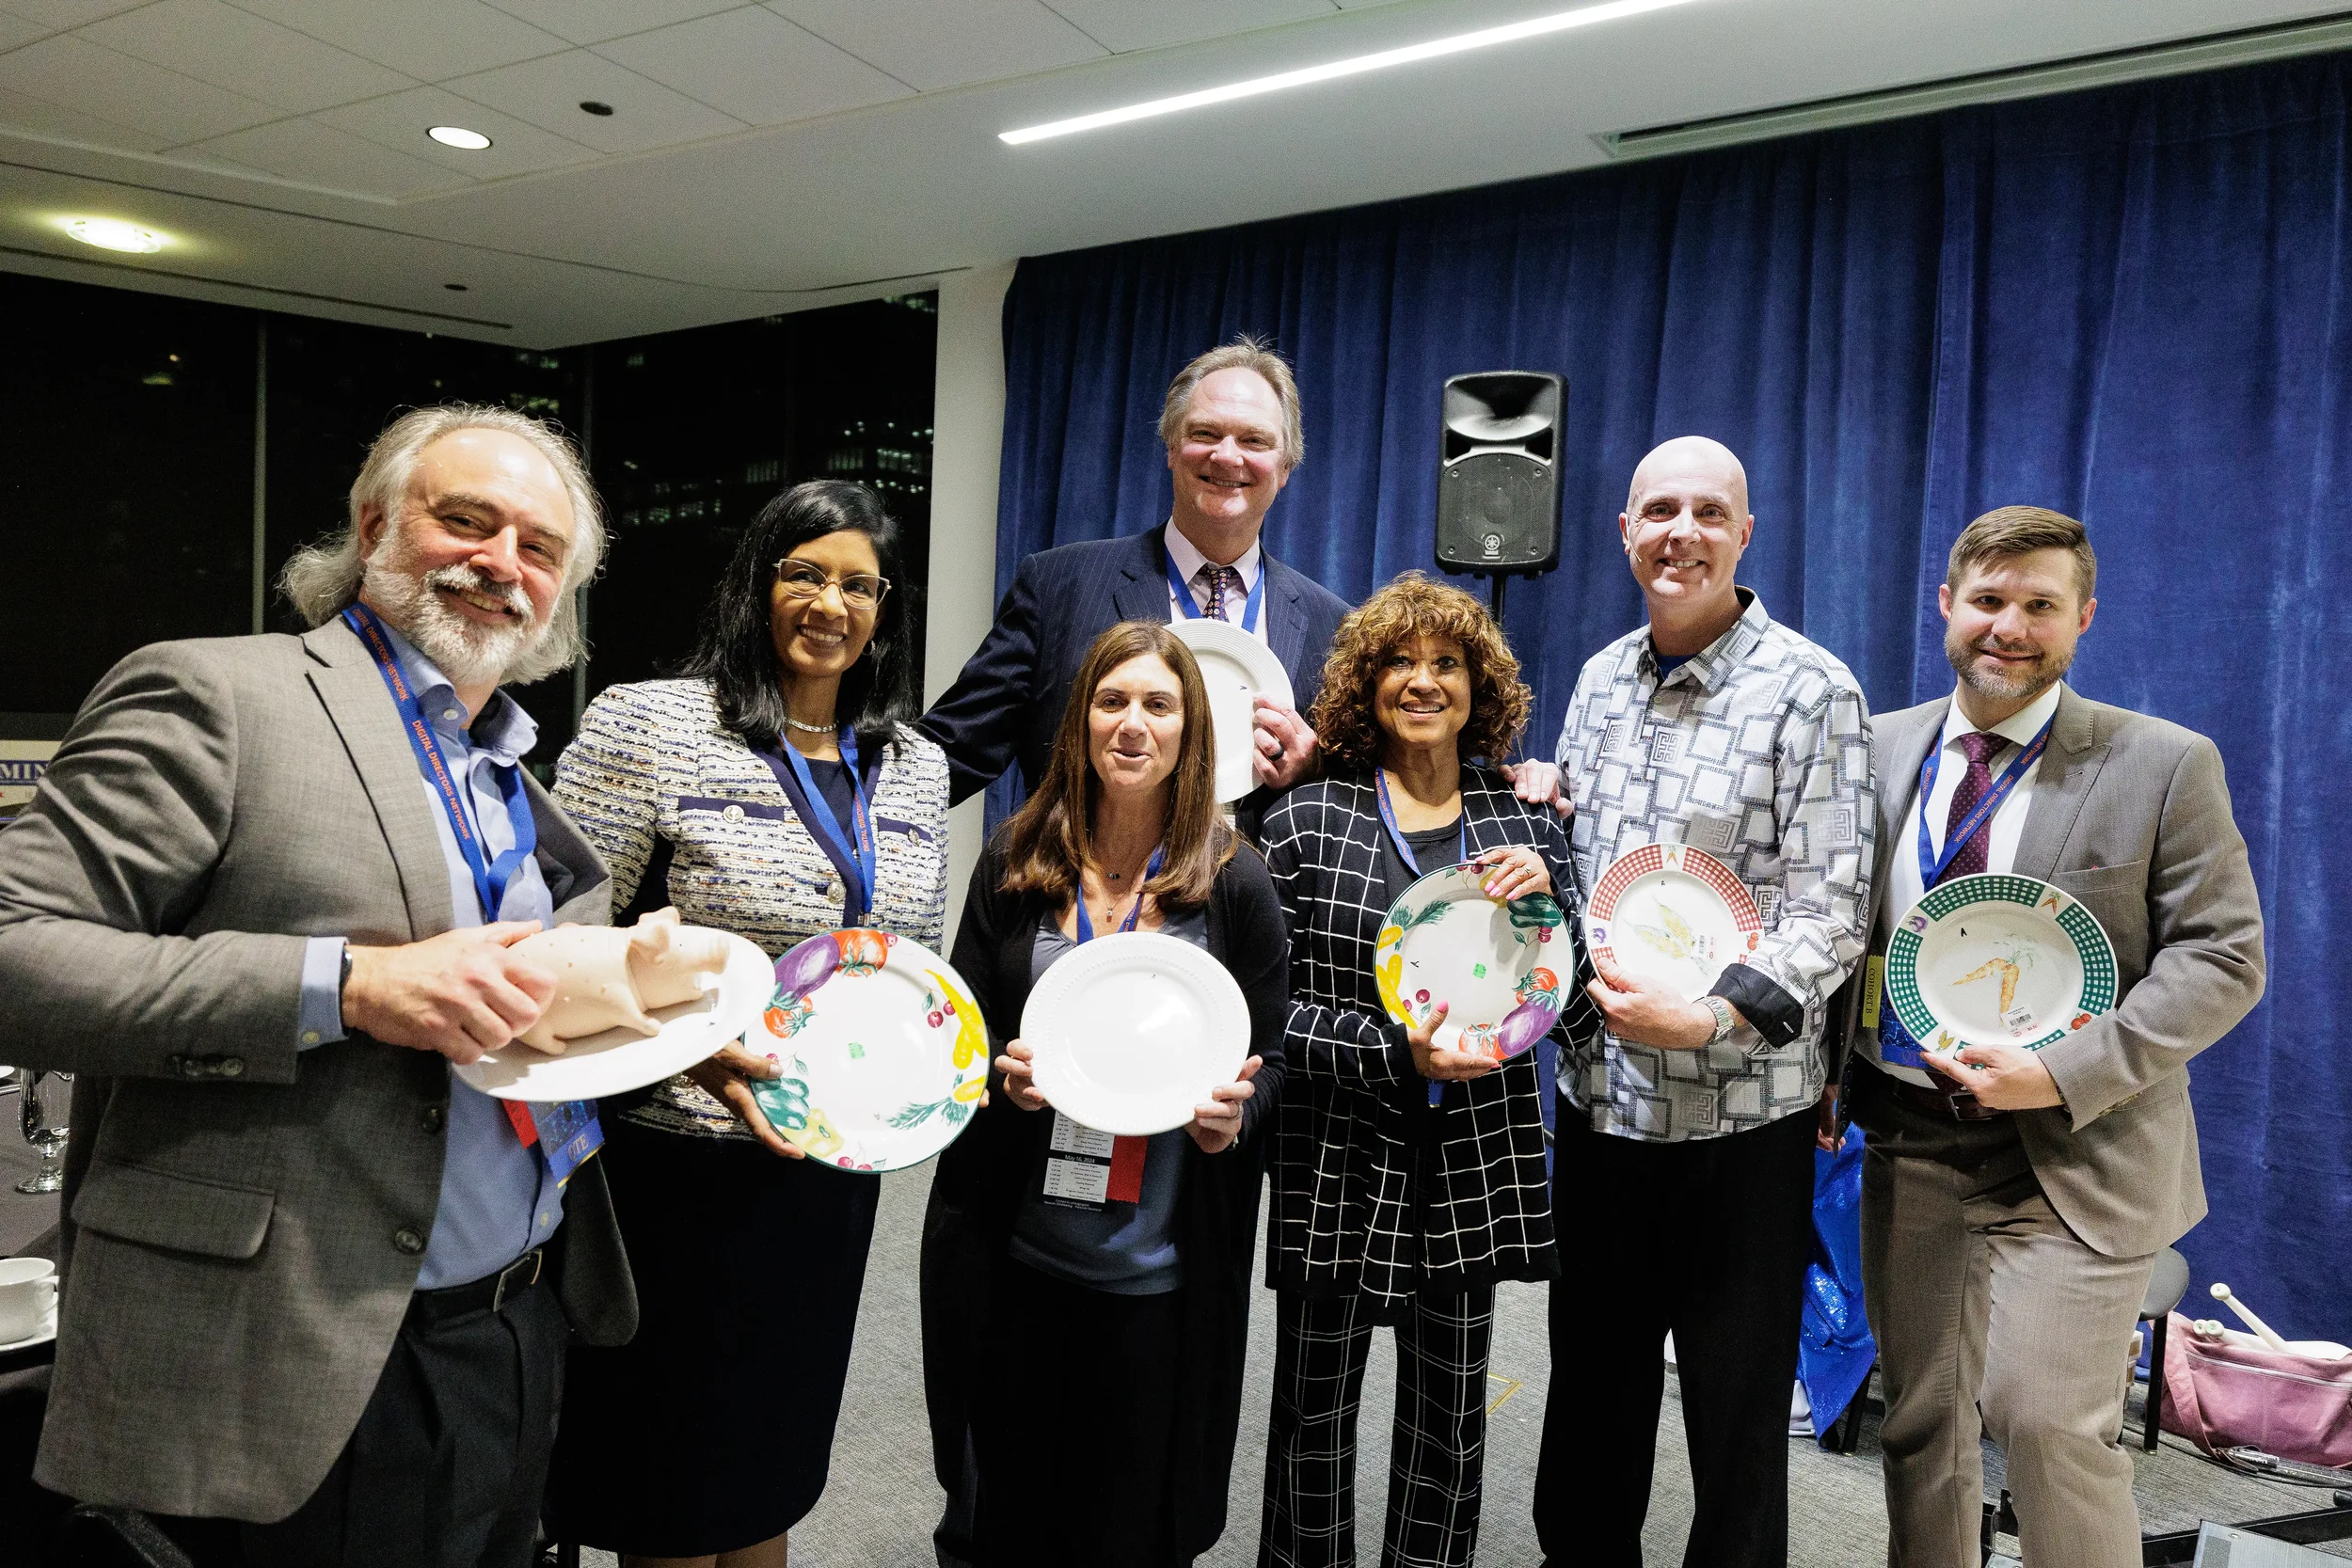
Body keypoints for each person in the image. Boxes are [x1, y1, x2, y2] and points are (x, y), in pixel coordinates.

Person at [0, 404, 629, 1566]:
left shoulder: (504, 765)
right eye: (468, 521)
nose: (503, 564)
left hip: (516, 1317)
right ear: (375, 522)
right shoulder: (221, 696)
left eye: (540, 549)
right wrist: (341, 985)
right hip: (295, 1340)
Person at [1829, 506, 2264, 1568]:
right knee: (1920, 1422)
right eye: (1987, 600)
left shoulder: (2162, 762)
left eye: (2038, 605)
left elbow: (2222, 957)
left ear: (2083, 618)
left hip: (2081, 1150)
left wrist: (2059, 1071)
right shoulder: (1875, 745)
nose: (2008, 626)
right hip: (1911, 1140)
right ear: (1946, 604)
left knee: (2043, 1421)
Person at [544, 481, 950, 1566]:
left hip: (827, 1167)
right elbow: (553, 934)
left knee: (771, 1462)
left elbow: (913, 960)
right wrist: (693, 1040)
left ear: (886, 607)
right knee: (671, 1479)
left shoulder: (912, 763)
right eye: (804, 572)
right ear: (756, 582)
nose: (831, 601)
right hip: (675, 1162)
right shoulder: (652, 723)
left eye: (859, 583)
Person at [1534, 436, 1875, 1568]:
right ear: (1625, 529)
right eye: (1659, 509)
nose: (1682, 531)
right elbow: (1577, 866)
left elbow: (1833, 911)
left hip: (1740, 1122)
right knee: (1590, 1399)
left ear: (1745, 534)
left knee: (1732, 1425)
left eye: (1708, 512)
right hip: (1601, 1108)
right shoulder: (1593, 679)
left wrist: (1712, 1013)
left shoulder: (1812, 689)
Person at [920, 621, 1288, 1568]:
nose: (1132, 722)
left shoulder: (1236, 881)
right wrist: (998, 1077)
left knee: (1129, 1524)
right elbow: (958, 1038)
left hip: (1158, 1271)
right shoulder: (1016, 855)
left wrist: (1234, 1118)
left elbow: (1274, 1055)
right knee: (1004, 1514)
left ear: (1189, 731)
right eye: (1111, 698)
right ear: (1079, 717)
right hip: (1017, 1255)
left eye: (1157, 704)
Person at [1257, 572, 1600, 1568]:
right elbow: (1265, 1014)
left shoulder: (1527, 822)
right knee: (1311, 1422)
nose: (1422, 680)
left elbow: (1573, 1017)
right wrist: (1388, 1050)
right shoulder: (1306, 820)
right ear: (1363, 684)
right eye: (1399, 661)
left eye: (1446, 663)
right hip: (1337, 1157)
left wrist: (1556, 912)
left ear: (1476, 686)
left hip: (1470, 1168)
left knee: (1449, 1429)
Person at [920, 337, 1350, 816]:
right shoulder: (1056, 588)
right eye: (1205, 433)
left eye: (1255, 440)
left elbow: (1372, 804)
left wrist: (1317, 771)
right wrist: (831, 783)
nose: (1228, 457)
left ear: (1286, 466)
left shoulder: (1334, 627)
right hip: (1082, 885)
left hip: (1257, 887)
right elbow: (948, 755)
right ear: (1170, 447)